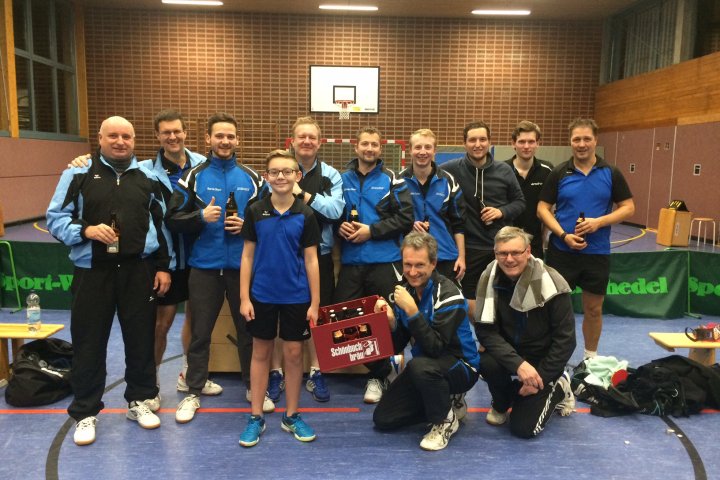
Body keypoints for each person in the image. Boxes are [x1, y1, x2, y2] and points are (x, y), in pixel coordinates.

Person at [46, 116, 174, 446]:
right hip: (93, 272)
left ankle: (140, 400)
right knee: (88, 342)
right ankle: (85, 412)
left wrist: (163, 266)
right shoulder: (77, 173)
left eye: (126, 136)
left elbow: (161, 225)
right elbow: (56, 219)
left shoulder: (149, 178)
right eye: (113, 135)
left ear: (134, 140)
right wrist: (86, 230)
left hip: (138, 271)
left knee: (141, 339)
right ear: (100, 138)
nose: (120, 141)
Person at [167, 112, 272, 424]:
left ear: (237, 140)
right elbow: (172, 218)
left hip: (243, 268)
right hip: (204, 268)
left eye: (230, 136)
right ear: (208, 139)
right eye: (219, 136)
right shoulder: (193, 177)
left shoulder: (253, 179)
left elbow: (272, 217)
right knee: (200, 333)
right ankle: (193, 391)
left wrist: (248, 224)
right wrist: (199, 217)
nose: (225, 141)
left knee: (248, 331)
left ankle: (254, 386)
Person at [238, 149, 321, 447]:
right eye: (275, 172)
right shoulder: (255, 211)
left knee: (294, 354)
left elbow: (312, 260)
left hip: (296, 297)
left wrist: (315, 303)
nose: (281, 176)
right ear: (266, 176)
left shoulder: (306, 214)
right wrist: (244, 297)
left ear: (297, 176)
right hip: (262, 295)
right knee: (261, 352)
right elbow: (247, 256)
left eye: (287, 171)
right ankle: (256, 417)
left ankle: (292, 415)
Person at [372, 232, 479, 451]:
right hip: (426, 369)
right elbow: (396, 346)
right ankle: (446, 400)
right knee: (384, 418)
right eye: (407, 264)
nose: (412, 272)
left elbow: (435, 348)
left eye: (419, 265)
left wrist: (412, 311)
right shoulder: (405, 291)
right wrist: (390, 323)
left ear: (433, 263)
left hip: (462, 367)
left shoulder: (448, 294)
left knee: (419, 365)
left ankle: (445, 420)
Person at [537, 118, 635, 359]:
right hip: (562, 253)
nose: (581, 144)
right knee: (553, 310)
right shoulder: (559, 172)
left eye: (586, 139)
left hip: (597, 253)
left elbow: (628, 207)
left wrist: (598, 222)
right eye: (576, 139)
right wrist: (563, 235)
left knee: (593, 309)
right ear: (570, 142)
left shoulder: (611, 173)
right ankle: (553, 360)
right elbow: (542, 208)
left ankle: (590, 358)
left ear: (595, 140)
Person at [266, 117, 345, 404]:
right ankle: (276, 373)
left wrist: (304, 194)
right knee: (276, 317)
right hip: (282, 259)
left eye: (312, 137)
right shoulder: (279, 171)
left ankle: (316, 371)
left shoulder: (330, 175)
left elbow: (335, 211)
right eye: (302, 137)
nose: (307, 141)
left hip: (318, 258)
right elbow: (266, 208)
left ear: (319, 142)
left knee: (317, 317)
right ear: (293, 141)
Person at [335, 126, 414, 403]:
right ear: (355, 146)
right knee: (343, 322)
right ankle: (381, 370)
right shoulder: (340, 179)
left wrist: (372, 231)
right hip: (351, 263)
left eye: (374, 145)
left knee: (390, 321)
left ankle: (377, 378)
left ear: (381, 149)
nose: (369, 149)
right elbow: (332, 213)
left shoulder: (393, 180)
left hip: (385, 262)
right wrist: (338, 226)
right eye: (365, 144)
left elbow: (406, 218)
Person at [475, 227, 576, 438]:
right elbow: (486, 332)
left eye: (516, 252)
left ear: (528, 251)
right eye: (503, 253)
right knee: (486, 361)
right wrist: (518, 364)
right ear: (495, 253)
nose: (509, 259)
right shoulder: (488, 277)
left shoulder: (553, 283)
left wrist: (541, 378)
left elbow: (566, 341)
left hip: (542, 359)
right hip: (512, 355)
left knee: (523, 429)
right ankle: (502, 402)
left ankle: (558, 386)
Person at [442, 121, 525, 321]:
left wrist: (501, 212)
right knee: (471, 302)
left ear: (490, 142)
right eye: (472, 140)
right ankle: (482, 336)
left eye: (482, 139)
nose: (478, 144)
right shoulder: (450, 169)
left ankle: (498, 337)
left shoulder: (504, 170)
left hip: (500, 248)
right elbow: (424, 170)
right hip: (470, 249)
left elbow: (520, 203)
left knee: (503, 300)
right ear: (464, 143)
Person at [399, 129, 466, 283]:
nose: (423, 152)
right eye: (418, 147)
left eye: (428, 147)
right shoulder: (399, 181)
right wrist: (409, 224)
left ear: (435, 150)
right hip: (411, 259)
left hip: (445, 256)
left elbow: (459, 224)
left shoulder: (448, 181)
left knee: (445, 298)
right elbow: (394, 218)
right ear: (410, 150)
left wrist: (461, 257)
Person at [505, 120, 554, 259]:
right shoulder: (502, 170)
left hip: (535, 245)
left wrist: (543, 239)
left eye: (531, 142)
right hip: (506, 244)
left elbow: (549, 209)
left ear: (538, 143)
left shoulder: (547, 171)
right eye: (521, 142)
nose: (526, 146)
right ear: (513, 143)